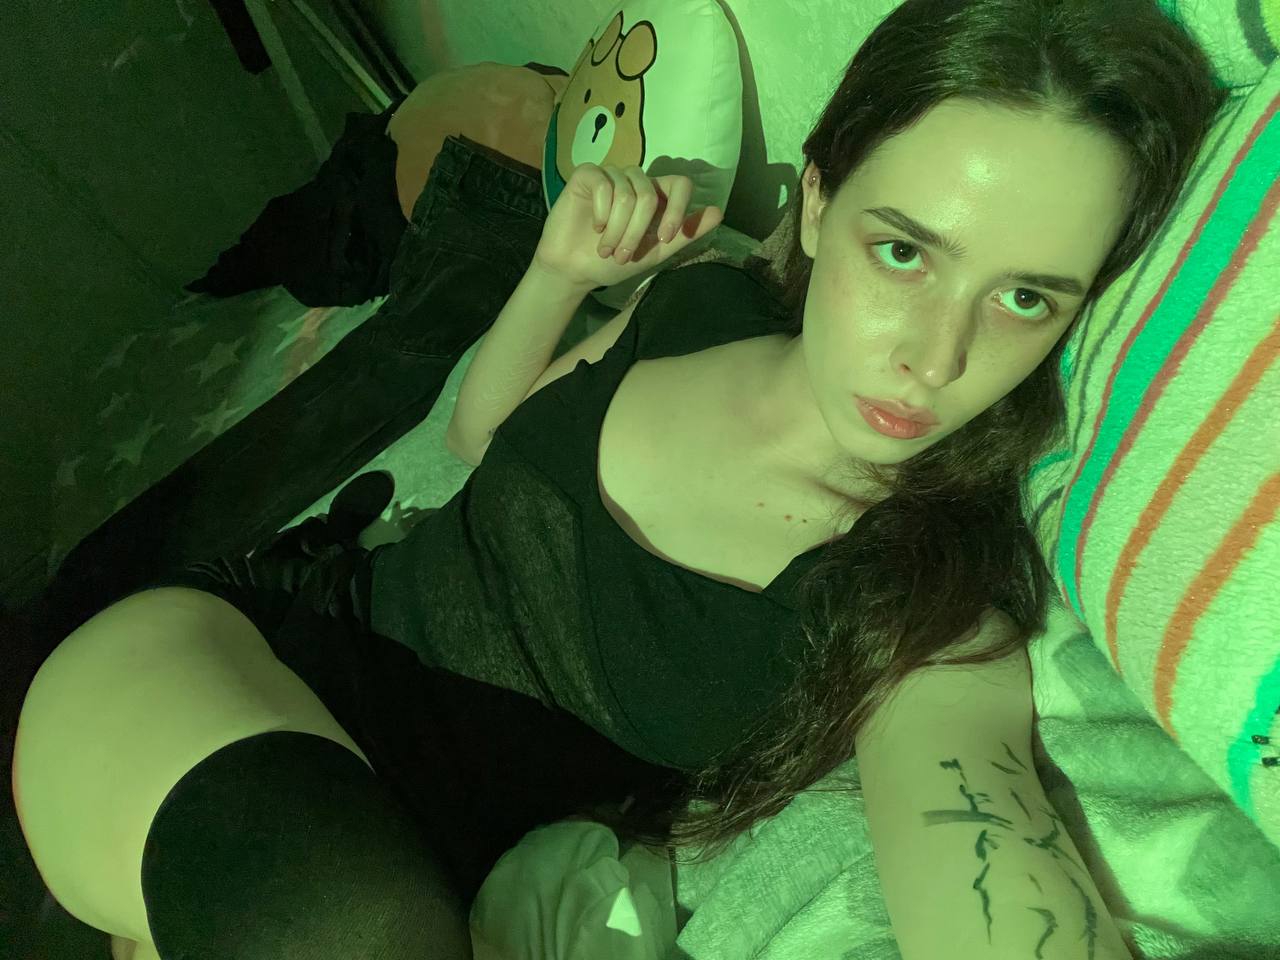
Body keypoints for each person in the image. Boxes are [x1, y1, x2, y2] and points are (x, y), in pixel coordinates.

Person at [10, 0, 1227, 957]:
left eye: (1024, 300)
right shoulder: (699, 300)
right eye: (903, 251)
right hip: (238, 658)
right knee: (330, 916)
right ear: (814, 204)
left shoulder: (925, 597)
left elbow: (984, 850)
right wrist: (554, 274)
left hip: (376, 869)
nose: (936, 355)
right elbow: (481, 436)